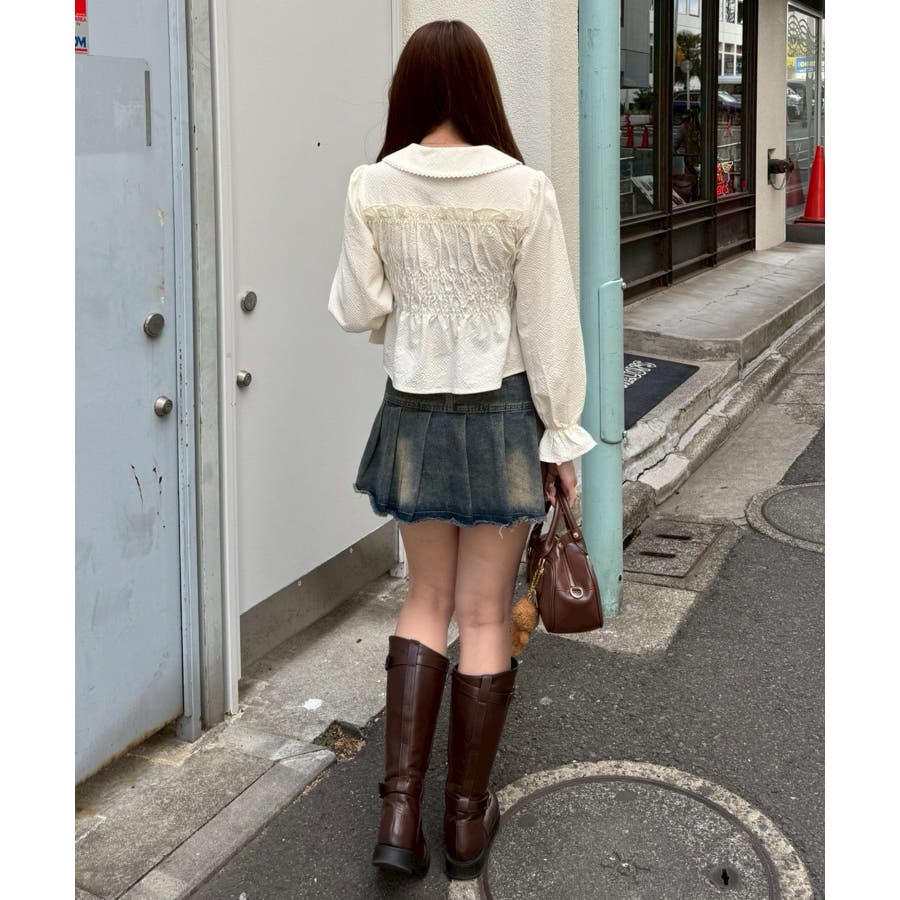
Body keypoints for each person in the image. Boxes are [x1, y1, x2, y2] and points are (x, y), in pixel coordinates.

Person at [327, 19, 597, 882]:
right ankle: (465, 823)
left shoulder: (372, 184)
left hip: (414, 414)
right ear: (483, 89)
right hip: (503, 414)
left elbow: (356, 309)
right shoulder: (524, 189)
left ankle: (398, 816)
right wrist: (562, 435)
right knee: (484, 615)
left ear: (408, 91)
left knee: (424, 599)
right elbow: (549, 329)